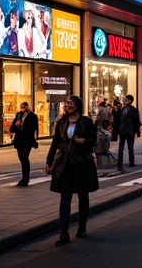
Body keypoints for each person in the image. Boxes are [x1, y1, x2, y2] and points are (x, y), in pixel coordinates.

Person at [46, 95, 99, 246]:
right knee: (65, 197)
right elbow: (55, 141)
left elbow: (93, 140)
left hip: (81, 161)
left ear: (77, 105)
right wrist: (49, 161)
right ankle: (64, 233)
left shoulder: (85, 121)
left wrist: (85, 141)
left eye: (71, 103)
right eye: (67, 103)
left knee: (83, 195)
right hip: (64, 162)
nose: (68, 105)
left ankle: (82, 227)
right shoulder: (62, 121)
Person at [8, 101, 38, 186]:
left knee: (24, 158)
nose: (23, 109)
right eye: (21, 107)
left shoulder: (33, 116)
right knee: (22, 159)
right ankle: (24, 178)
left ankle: (26, 179)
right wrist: (17, 125)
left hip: (28, 141)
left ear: (28, 107)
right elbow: (12, 129)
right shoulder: (18, 115)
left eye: (25, 107)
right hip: (19, 141)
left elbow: (33, 129)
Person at [116, 94, 141, 172]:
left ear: (131, 101)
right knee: (121, 148)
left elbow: (136, 120)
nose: (125, 101)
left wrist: (136, 131)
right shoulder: (122, 109)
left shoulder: (134, 110)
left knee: (130, 147)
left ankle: (131, 161)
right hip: (123, 130)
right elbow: (119, 119)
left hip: (130, 130)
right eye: (125, 100)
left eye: (127, 100)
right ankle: (119, 163)